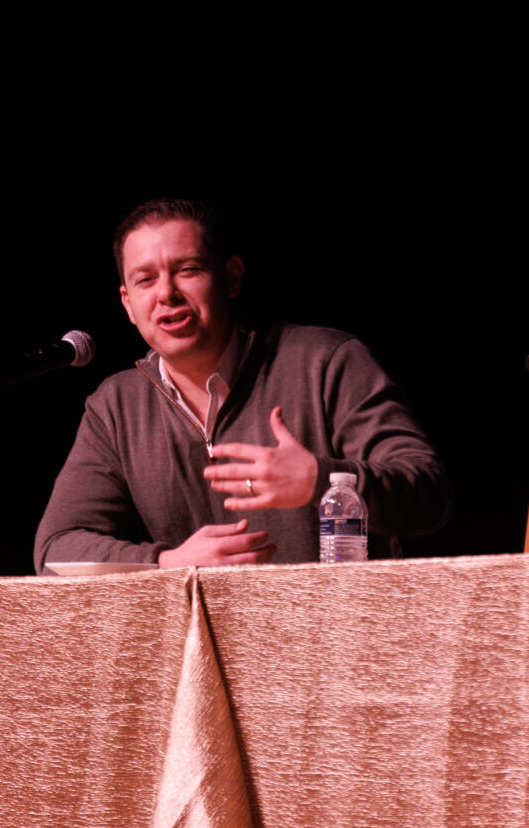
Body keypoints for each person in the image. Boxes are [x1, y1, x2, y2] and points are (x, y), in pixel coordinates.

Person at [33, 199, 452, 570]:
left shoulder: (325, 361)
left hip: (340, 628)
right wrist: (167, 563)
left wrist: (320, 480)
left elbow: (430, 493)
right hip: (198, 635)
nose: (167, 293)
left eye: (188, 270)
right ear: (128, 304)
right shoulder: (115, 407)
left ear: (231, 278)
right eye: (146, 280)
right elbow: (56, 549)